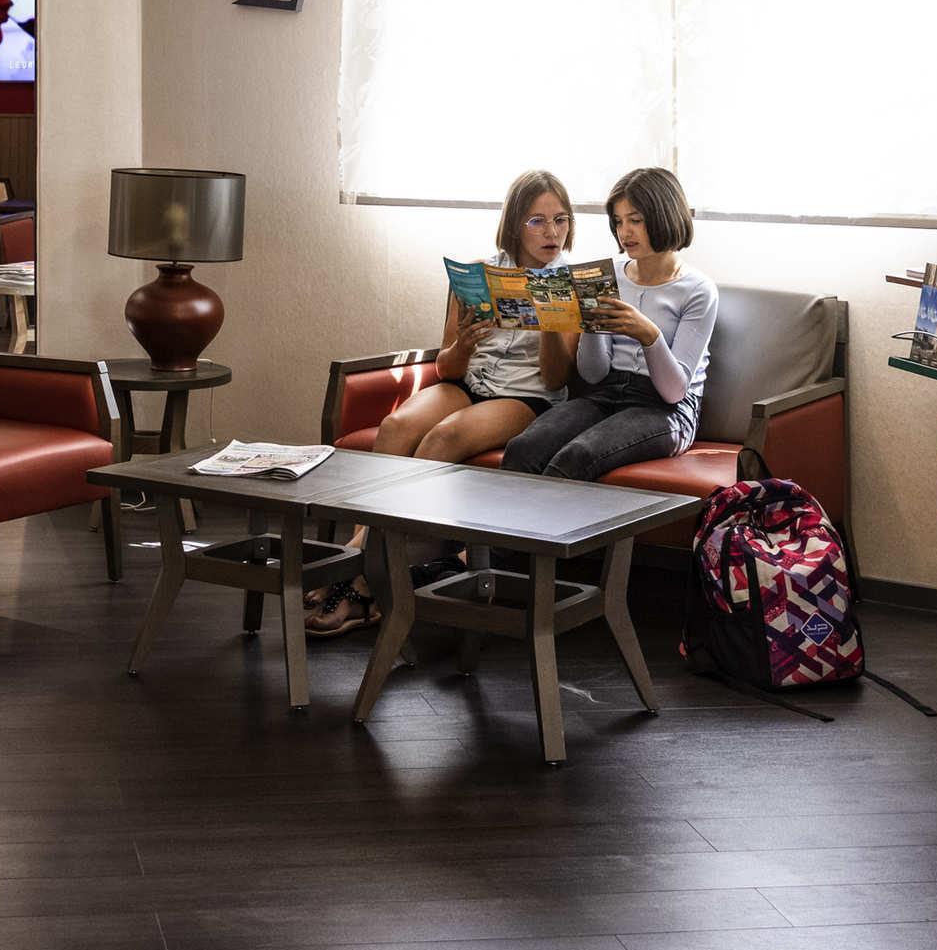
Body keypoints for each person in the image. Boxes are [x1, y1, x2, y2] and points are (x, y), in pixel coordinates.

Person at [305, 168, 576, 636]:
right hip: (469, 383)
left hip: (528, 397)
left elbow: (555, 378)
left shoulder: (566, 285)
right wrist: (465, 344)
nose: (552, 231)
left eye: (561, 219)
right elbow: (448, 368)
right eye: (537, 221)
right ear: (515, 225)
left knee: (444, 437)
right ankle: (361, 557)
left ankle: (361, 580)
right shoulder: (475, 275)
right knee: (395, 427)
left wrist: (550, 324)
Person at [502, 166, 717, 483]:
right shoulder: (609, 273)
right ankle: (503, 519)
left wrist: (648, 335)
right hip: (604, 394)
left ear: (664, 216)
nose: (624, 232)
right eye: (618, 222)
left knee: (576, 458)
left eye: (635, 220)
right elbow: (593, 374)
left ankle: (541, 518)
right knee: (523, 449)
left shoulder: (698, 290)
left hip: (667, 410)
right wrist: (593, 324)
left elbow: (674, 392)